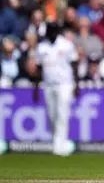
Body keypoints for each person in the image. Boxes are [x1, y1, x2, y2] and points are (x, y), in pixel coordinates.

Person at [32, 21, 80, 156]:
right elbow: (39, 68)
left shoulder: (66, 45)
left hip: (65, 83)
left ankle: (60, 144)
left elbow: (75, 64)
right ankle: (55, 141)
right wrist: (35, 88)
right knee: (52, 114)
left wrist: (77, 85)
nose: (50, 34)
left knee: (62, 113)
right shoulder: (41, 47)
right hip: (48, 84)